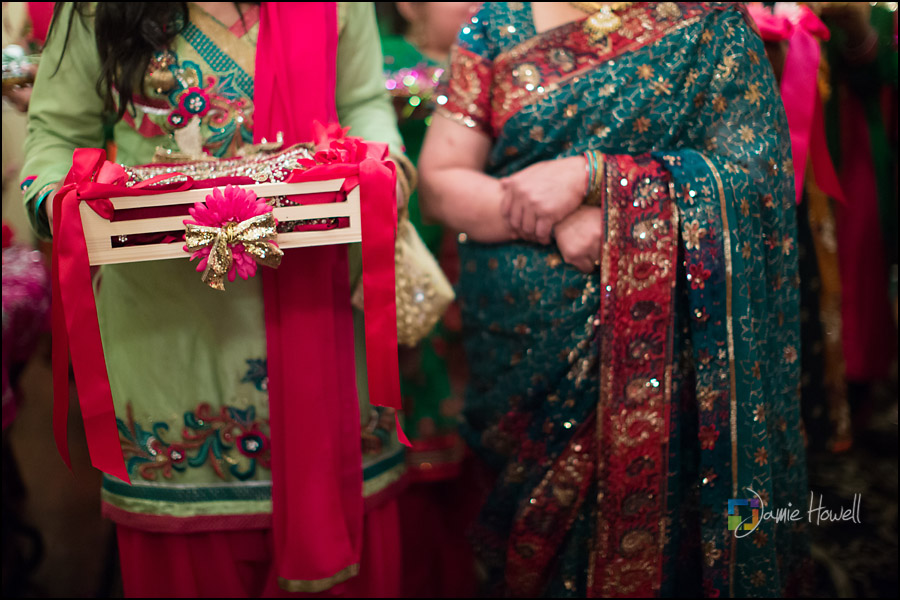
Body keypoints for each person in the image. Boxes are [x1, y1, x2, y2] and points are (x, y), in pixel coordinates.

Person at [419, 2, 809, 596]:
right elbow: (440, 180)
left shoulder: (708, 25)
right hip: (524, 347)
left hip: (681, 357)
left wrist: (599, 178)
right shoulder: (496, 24)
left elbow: (755, 188)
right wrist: (556, 220)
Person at [21, 2, 410, 596]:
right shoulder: (95, 10)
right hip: (166, 328)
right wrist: (58, 203)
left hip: (318, 310)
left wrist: (387, 168)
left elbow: (363, 103)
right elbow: (56, 134)